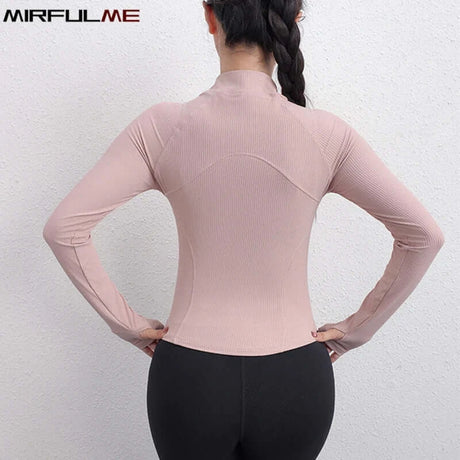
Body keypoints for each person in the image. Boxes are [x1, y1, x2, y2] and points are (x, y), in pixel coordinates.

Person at [42, 0, 445, 459]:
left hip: (189, 378)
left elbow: (64, 230)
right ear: (293, 20)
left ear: (210, 16)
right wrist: (357, 329)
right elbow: (423, 237)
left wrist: (129, 326)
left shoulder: (162, 127)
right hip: (296, 379)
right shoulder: (328, 134)